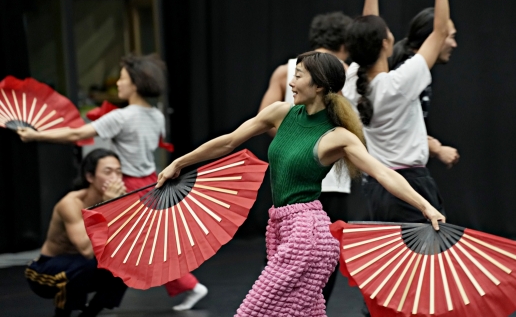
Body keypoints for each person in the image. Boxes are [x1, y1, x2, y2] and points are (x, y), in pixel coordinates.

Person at [155, 51, 445, 317]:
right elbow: (229, 141)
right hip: (280, 228)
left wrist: (425, 206)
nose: (291, 82)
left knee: (252, 313)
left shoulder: (337, 136)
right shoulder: (280, 113)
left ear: (318, 86)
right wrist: (179, 163)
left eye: (298, 75)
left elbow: (383, 173)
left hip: (308, 235)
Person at [17, 54, 208, 311]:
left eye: (122, 79)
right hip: (152, 182)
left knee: (134, 252)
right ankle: (188, 284)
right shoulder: (157, 115)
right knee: (146, 248)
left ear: (136, 84)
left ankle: (190, 285)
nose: (118, 83)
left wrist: (35, 135)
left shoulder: (122, 116)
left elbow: (77, 134)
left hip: (127, 187)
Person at [343, 0, 452, 225]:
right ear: (385, 44)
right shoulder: (398, 84)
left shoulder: (352, 81)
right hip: (409, 183)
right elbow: (439, 33)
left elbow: (369, 29)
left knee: (393, 263)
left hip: (376, 185)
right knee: (421, 264)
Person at [257, 11, 353, 304]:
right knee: (316, 266)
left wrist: (296, 149)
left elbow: (267, 121)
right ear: (344, 43)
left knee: (289, 262)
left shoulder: (285, 69)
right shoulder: (346, 71)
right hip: (332, 182)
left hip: (294, 181)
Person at [25, 149, 128, 317]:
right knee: (83, 263)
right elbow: (86, 250)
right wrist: (108, 207)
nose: (115, 178)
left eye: (119, 172)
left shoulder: (117, 202)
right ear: (90, 177)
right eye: (108, 172)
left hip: (80, 270)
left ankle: (88, 315)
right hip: (45, 272)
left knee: (128, 263)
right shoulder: (71, 203)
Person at [389, 7, 461, 171]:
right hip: (397, 176)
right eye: (450, 37)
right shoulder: (408, 76)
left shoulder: (414, 73)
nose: (454, 44)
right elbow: (398, 130)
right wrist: (436, 149)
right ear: (433, 38)